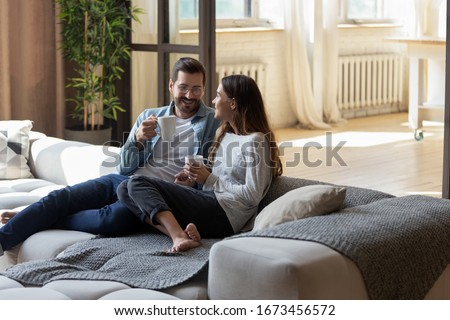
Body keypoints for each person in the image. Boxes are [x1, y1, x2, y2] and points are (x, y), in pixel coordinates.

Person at [0, 57, 220, 256]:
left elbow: (215, 173)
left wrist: (192, 181)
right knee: (61, 197)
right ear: (171, 86)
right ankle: (7, 237)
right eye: (183, 88)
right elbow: (124, 168)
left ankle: (32, 217)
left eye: (196, 89)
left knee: (110, 219)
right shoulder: (151, 116)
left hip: (157, 196)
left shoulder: (213, 122)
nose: (189, 96)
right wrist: (137, 139)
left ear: (203, 89)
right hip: (124, 181)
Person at [117, 74, 283, 252]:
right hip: (211, 203)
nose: (213, 100)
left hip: (226, 215)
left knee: (137, 182)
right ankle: (180, 234)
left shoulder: (255, 141)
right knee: (124, 188)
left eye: (218, 95)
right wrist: (194, 178)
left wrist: (209, 179)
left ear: (233, 103)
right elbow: (223, 178)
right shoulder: (227, 134)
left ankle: (178, 236)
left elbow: (252, 195)